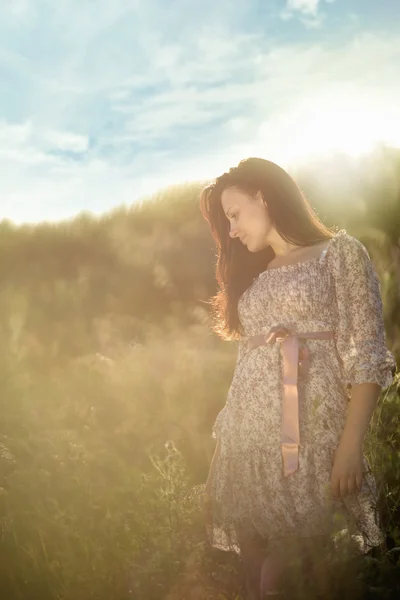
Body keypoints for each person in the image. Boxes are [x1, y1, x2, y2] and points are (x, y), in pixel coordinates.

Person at [199, 157, 397, 598]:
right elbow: (243, 374)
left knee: (286, 581)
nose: (231, 231)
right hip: (248, 450)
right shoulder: (255, 276)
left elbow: (366, 353)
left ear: (263, 197)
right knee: (254, 583)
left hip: (314, 443)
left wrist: (351, 445)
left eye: (234, 215)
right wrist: (218, 461)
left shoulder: (339, 253)